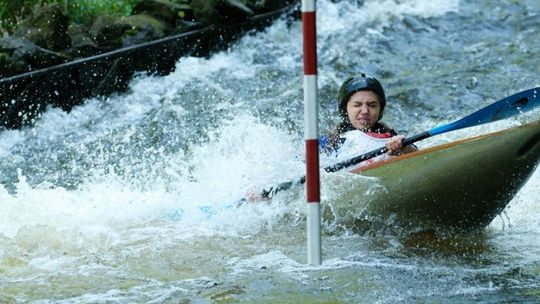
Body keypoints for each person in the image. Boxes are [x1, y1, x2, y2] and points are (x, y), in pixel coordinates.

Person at [322, 72, 417, 167]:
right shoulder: (327, 142)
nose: (365, 111)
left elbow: (418, 156)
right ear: (345, 109)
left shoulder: (392, 138)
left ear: (380, 110)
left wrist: (406, 149)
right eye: (357, 105)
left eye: (372, 105)